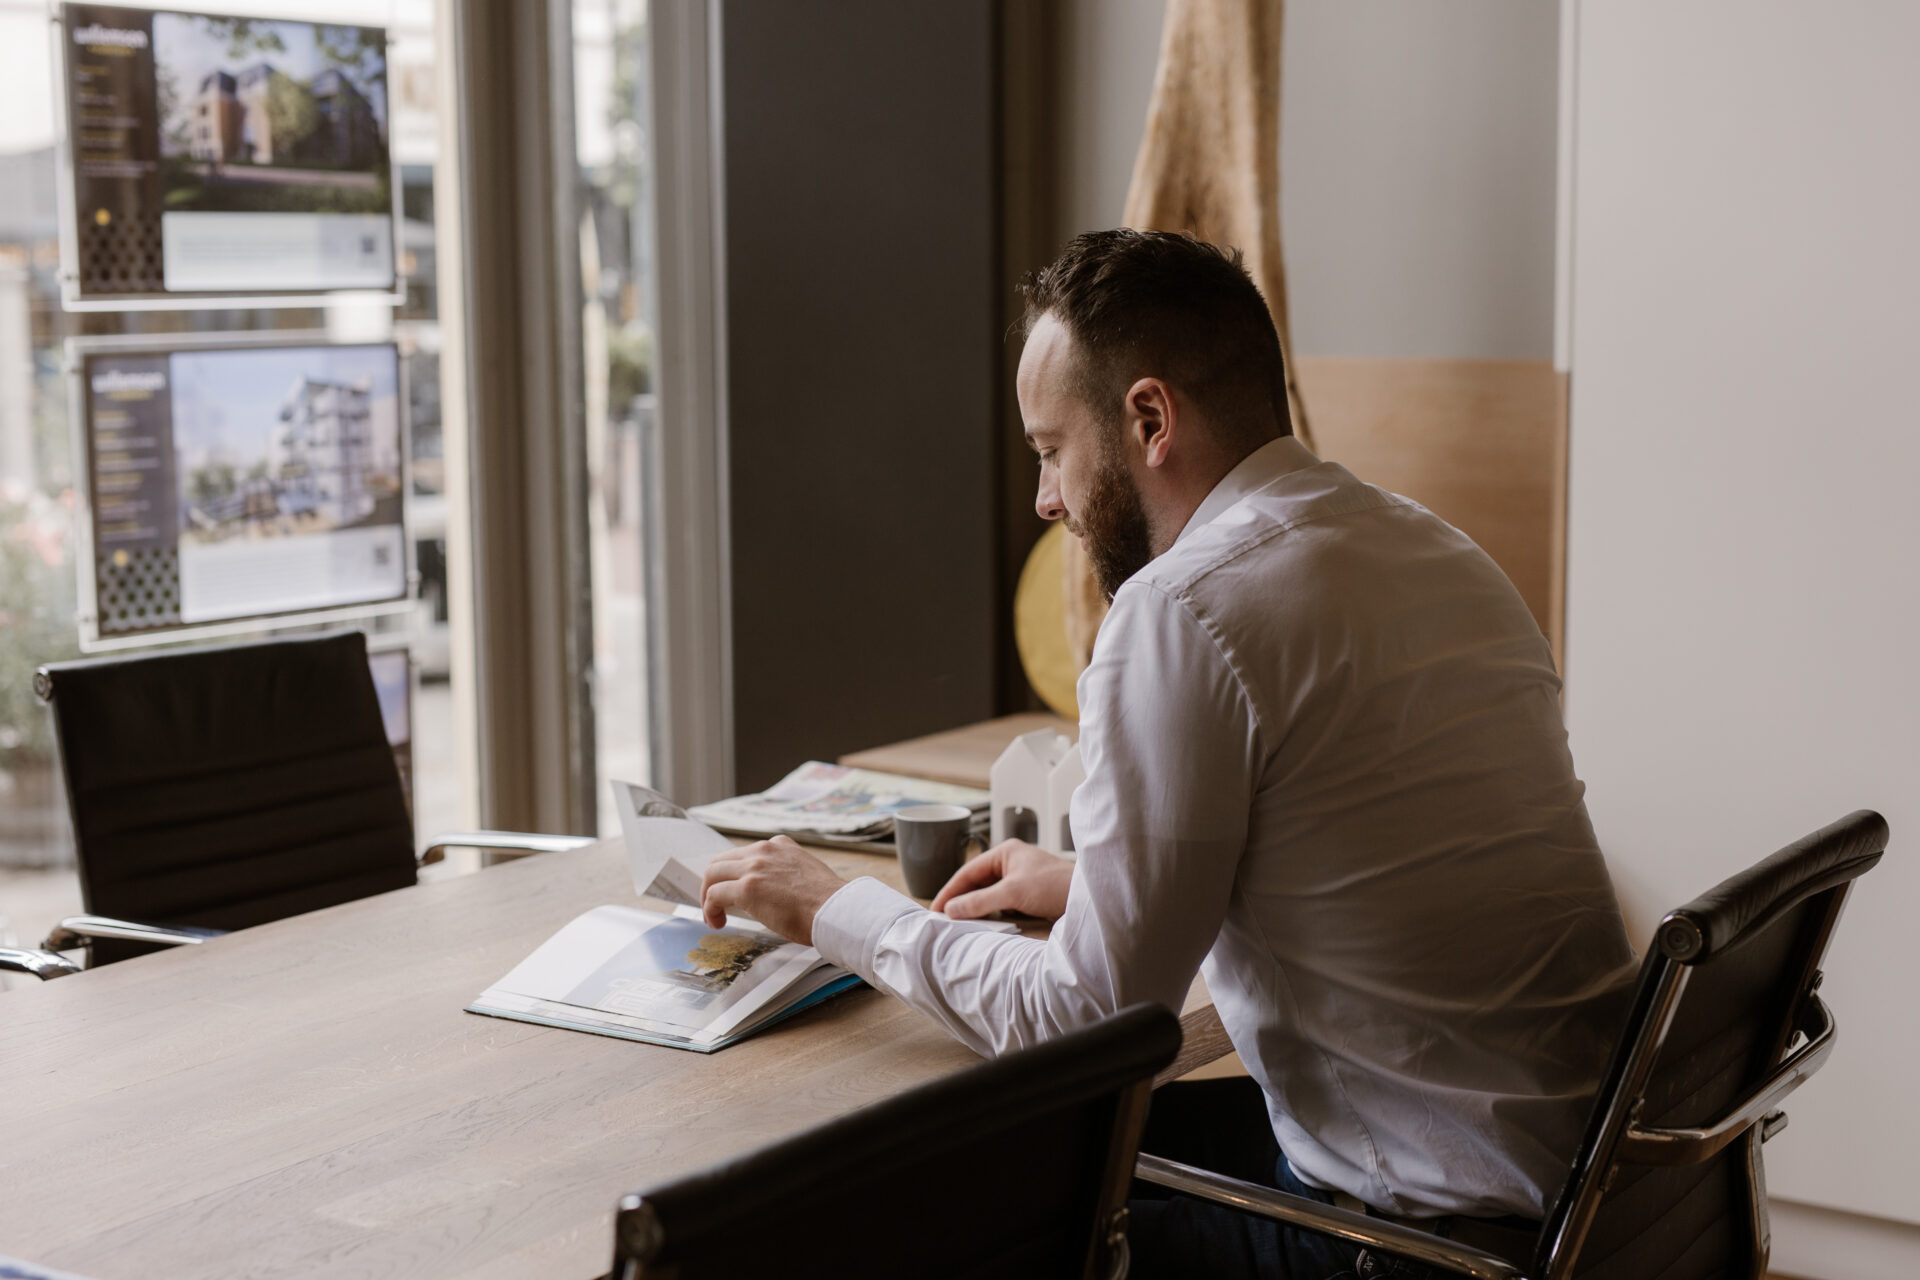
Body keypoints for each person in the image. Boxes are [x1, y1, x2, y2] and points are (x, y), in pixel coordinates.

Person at [700, 229, 1637, 1279]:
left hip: (1421, 1246)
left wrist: (833, 908)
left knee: (940, 1201)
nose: (1047, 499)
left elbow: (1081, 1021)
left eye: (1052, 449)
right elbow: (1370, 845)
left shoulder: (1186, 609)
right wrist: (1094, 881)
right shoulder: (1438, 549)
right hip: (1591, 1195)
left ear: (1148, 417)